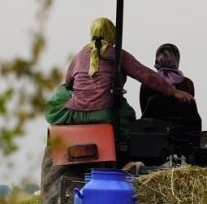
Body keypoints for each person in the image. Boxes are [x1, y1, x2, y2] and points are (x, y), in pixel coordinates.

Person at [47, 18, 193, 134]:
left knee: (62, 90)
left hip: (75, 113)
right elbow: (146, 75)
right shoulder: (119, 55)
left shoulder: (79, 56)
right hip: (105, 114)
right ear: (112, 33)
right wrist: (173, 91)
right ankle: (124, 149)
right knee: (129, 117)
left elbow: (68, 83)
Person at [139, 42, 202, 134]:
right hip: (181, 135)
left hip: (153, 135)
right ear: (176, 59)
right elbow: (189, 109)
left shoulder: (147, 84)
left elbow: (145, 113)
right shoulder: (188, 83)